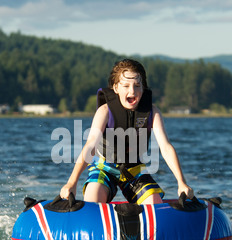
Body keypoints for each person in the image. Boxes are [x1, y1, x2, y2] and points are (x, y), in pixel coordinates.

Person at [60, 59, 193, 204]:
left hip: (134, 168)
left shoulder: (152, 113)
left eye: (137, 85)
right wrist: (72, 183)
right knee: (93, 201)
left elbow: (166, 148)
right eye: (126, 86)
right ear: (116, 88)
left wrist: (181, 182)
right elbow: (90, 145)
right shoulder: (104, 112)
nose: (132, 91)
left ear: (143, 88)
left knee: (154, 204)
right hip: (104, 167)